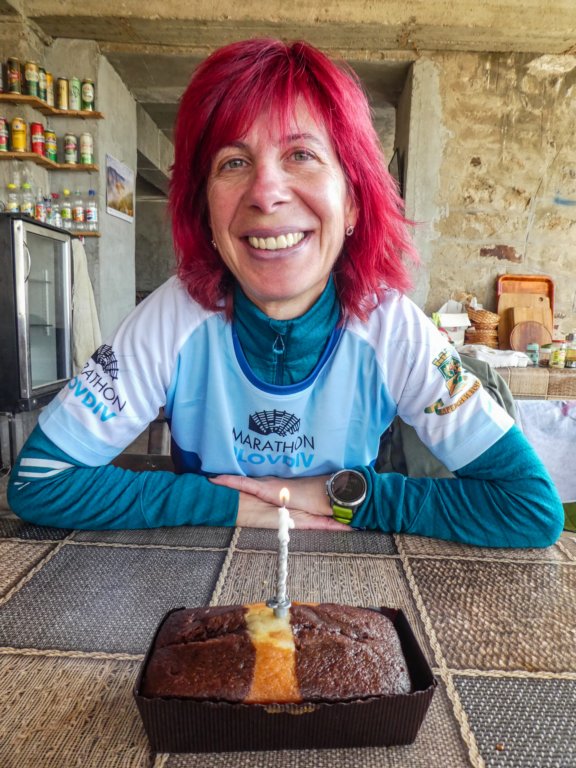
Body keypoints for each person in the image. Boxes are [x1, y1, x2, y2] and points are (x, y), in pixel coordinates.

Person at [8, 39, 563, 547]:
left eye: (301, 155)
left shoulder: (393, 330)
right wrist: (232, 505)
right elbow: (38, 481)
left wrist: (341, 496)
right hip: (196, 567)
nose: (266, 192)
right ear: (205, 212)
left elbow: (530, 508)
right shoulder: (171, 319)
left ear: (352, 203)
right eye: (233, 162)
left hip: (347, 566)